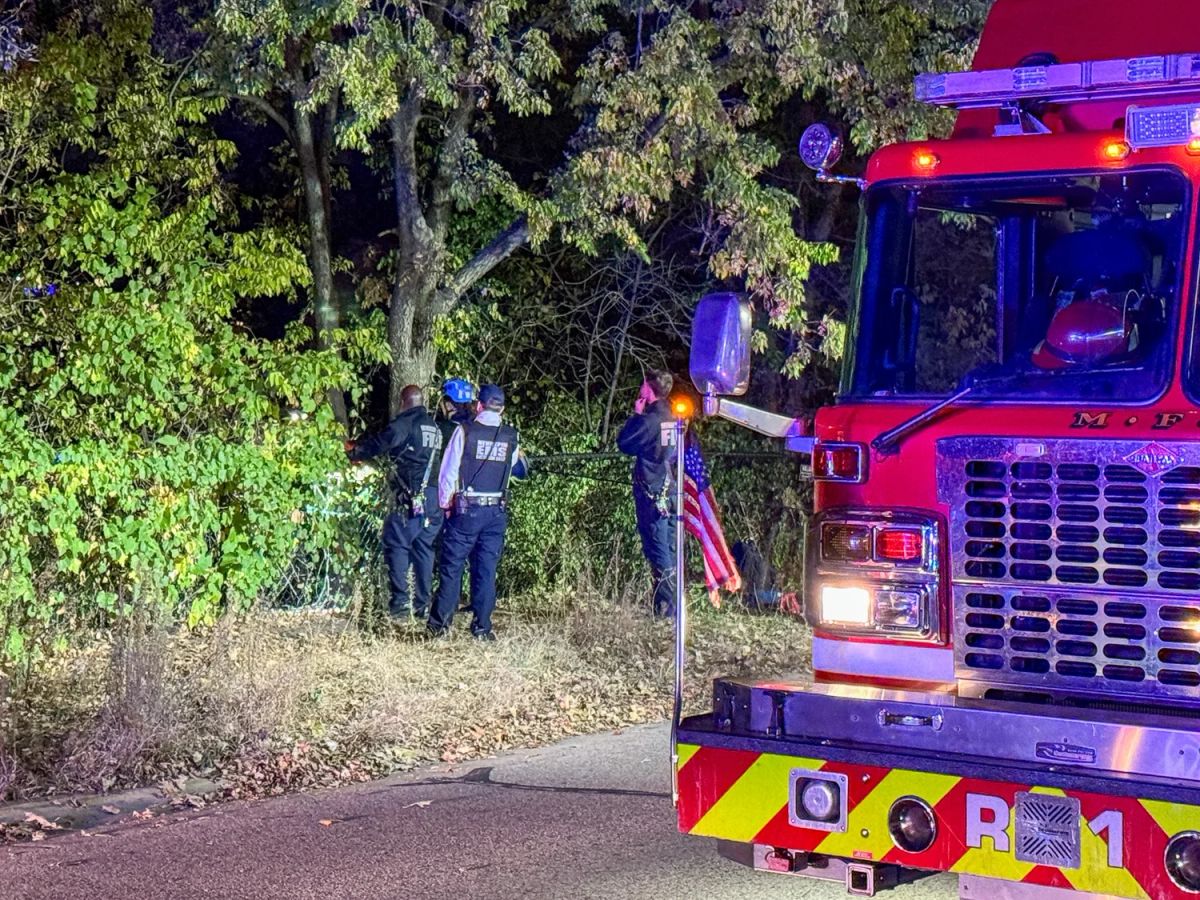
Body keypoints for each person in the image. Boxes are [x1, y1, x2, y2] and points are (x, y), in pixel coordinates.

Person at [427, 384, 525, 640]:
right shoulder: (511, 436)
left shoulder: (465, 431)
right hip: (496, 512)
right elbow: (514, 464)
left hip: (466, 511)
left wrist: (446, 505)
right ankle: (482, 628)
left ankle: (439, 628)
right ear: (502, 408)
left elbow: (448, 473)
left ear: (479, 405)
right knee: (486, 569)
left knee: (452, 568)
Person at [346, 385, 444, 621]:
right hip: (432, 498)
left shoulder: (404, 424)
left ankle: (400, 603)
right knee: (423, 548)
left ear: (403, 402)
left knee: (397, 543)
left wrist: (354, 452)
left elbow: (380, 443)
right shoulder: (435, 428)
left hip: (410, 497)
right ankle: (422, 604)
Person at [617, 370, 677, 618]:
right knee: (670, 548)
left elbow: (624, 443)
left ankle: (670, 605)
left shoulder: (650, 420)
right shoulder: (673, 416)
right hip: (671, 489)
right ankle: (663, 606)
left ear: (649, 389)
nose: (640, 387)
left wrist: (636, 415)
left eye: (643, 384)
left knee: (657, 549)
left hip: (652, 492)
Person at [437, 378, 476, 444]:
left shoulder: (450, 429)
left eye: (442, 401)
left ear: (448, 405)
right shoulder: (475, 424)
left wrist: (446, 424)